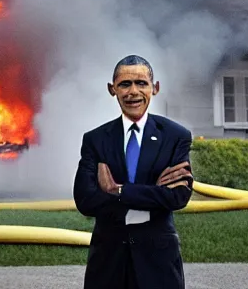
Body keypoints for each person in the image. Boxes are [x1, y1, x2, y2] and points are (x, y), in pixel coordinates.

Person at [73, 55, 193, 289]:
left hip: (158, 259)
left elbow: (177, 197)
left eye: (141, 83)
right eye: (125, 84)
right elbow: (85, 200)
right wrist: (153, 193)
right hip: (108, 259)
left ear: (155, 88)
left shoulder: (175, 136)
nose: (133, 92)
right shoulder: (96, 140)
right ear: (112, 89)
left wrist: (117, 190)